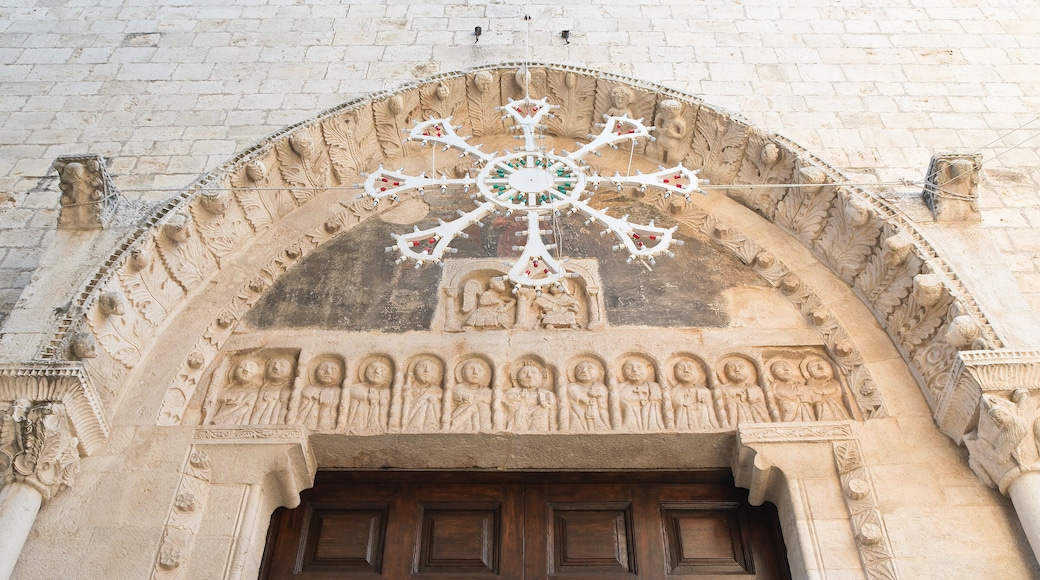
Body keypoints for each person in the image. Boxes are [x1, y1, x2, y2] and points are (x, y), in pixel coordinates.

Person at [504, 362, 556, 432]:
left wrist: (545, 403)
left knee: (540, 411)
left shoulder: (546, 393)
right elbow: (508, 402)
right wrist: (518, 398)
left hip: (539, 420)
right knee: (520, 411)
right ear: (516, 376)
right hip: (520, 420)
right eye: (524, 373)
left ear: (541, 376)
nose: (529, 376)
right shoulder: (513, 392)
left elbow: (551, 405)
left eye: (534, 372)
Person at [209, 359, 262, 426]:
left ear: (257, 375)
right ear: (234, 372)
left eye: (251, 368)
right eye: (241, 367)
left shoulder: (256, 391)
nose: (246, 370)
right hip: (221, 419)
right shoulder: (228, 388)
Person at [347, 359, 393, 432]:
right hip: (359, 419)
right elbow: (353, 392)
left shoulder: (386, 392)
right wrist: (367, 396)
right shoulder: (357, 387)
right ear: (365, 372)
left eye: (382, 370)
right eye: (373, 368)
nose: (377, 372)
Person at [670, 359, 718, 430]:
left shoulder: (704, 390)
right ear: (674, 372)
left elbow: (710, 408)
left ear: (697, 373)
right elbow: (673, 402)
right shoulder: (674, 391)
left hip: (703, 422)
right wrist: (682, 402)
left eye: (690, 368)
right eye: (681, 368)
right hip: (682, 421)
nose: (686, 371)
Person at [618, 359, 664, 431]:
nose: (634, 370)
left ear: (647, 371)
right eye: (629, 368)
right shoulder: (620, 388)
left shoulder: (654, 387)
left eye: (639, 367)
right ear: (623, 373)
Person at [566, 360, 610, 431]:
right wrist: (583, 398)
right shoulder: (572, 386)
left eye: (589, 368)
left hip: (595, 412)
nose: (584, 371)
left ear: (598, 372)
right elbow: (574, 393)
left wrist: (599, 396)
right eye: (579, 368)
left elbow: (603, 405)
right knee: (579, 414)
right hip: (578, 411)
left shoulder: (600, 387)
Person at [402, 358, 443, 431]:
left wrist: (433, 401)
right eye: (422, 366)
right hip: (410, 421)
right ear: (415, 372)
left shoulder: (437, 390)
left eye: (431, 368)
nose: (427, 370)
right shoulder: (409, 388)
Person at [450, 360, 493, 431]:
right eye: (471, 368)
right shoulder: (458, 388)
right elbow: (456, 396)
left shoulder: (487, 391)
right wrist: (464, 398)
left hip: (482, 420)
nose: (475, 372)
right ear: (463, 373)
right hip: (463, 418)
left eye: (479, 370)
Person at [250, 356, 294, 425]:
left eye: (282, 365)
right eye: (272, 364)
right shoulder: (264, 386)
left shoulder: (289, 387)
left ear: (290, 371)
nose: (275, 367)